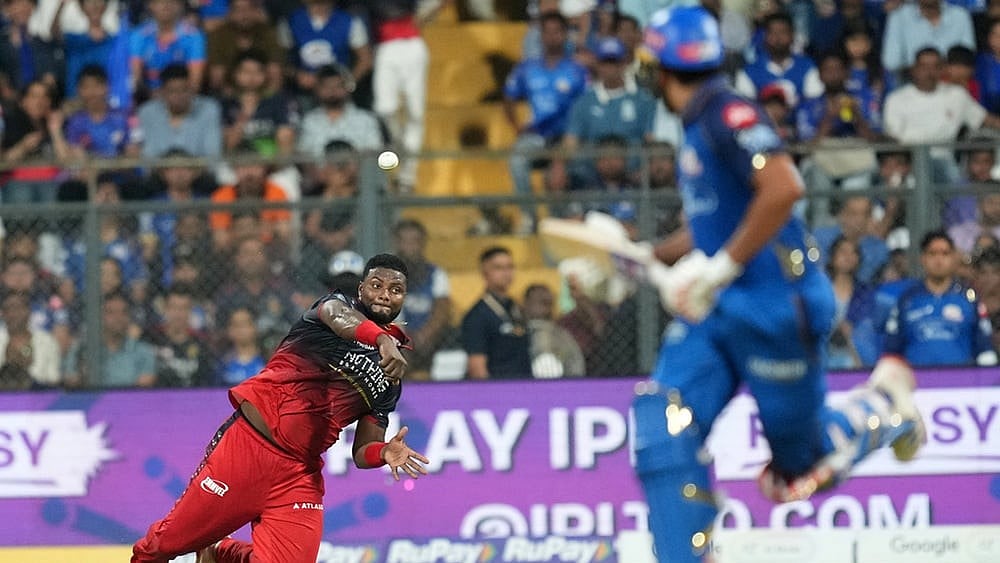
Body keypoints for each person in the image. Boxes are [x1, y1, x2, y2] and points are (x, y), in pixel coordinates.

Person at [637, 8, 926, 562]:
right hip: (722, 308)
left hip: (776, 309)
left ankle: (887, 403)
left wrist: (718, 267)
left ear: (657, 71)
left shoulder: (727, 112)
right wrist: (642, 257)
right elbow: (710, 223)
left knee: (797, 474)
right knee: (661, 419)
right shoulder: (699, 119)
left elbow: (784, 188)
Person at [131, 253, 429, 563]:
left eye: (395, 290)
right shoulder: (331, 310)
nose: (384, 294)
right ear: (360, 289)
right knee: (161, 548)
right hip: (247, 450)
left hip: (298, 475)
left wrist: (381, 452)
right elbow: (337, 316)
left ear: (403, 298)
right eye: (376, 285)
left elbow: (362, 449)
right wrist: (382, 338)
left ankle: (221, 551)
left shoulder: (390, 377)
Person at [882, 230, 998, 367]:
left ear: (954, 257)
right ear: (923, 259)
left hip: (961, 383)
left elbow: (984, 348)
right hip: (915, 383)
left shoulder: (969, 299)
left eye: (945, 253)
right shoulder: (906, 300)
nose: (939, 260)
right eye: (932, 254)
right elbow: (891, 349)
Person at [461, 246, 532, 379]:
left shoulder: (516, 308)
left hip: (524, 386)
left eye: (510, 267)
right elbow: (477, 366)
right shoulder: (478, 316)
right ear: (484, 272)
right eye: (498, 268)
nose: (506, 273)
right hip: (499, 390)